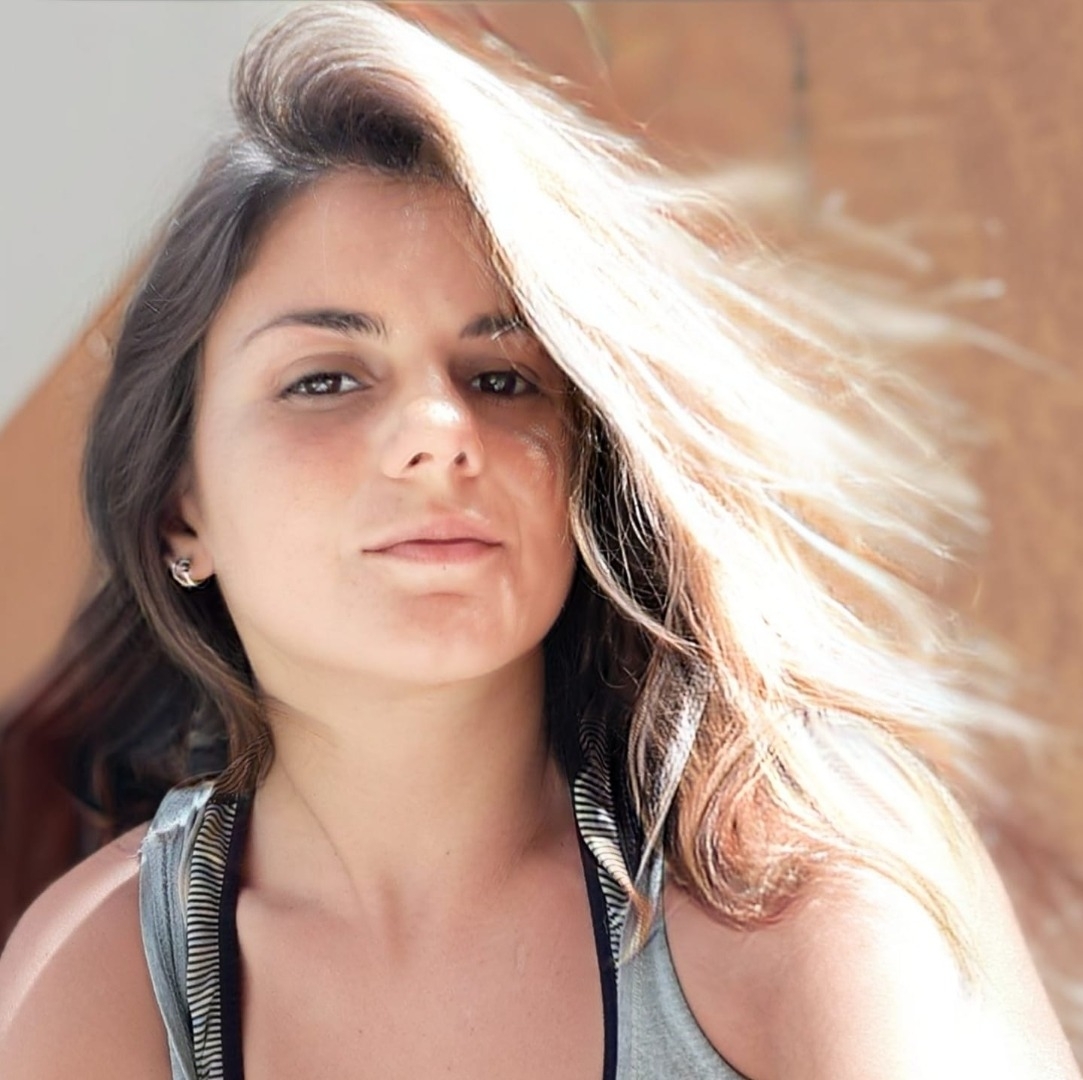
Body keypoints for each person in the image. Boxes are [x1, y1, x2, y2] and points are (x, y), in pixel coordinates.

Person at [0, 3, 1079, 1078]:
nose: (438, 433)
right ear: (180, 507)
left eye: (502, 378)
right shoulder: (104, 974)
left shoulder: (797, 880)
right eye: (324, 380)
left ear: (583, 464)